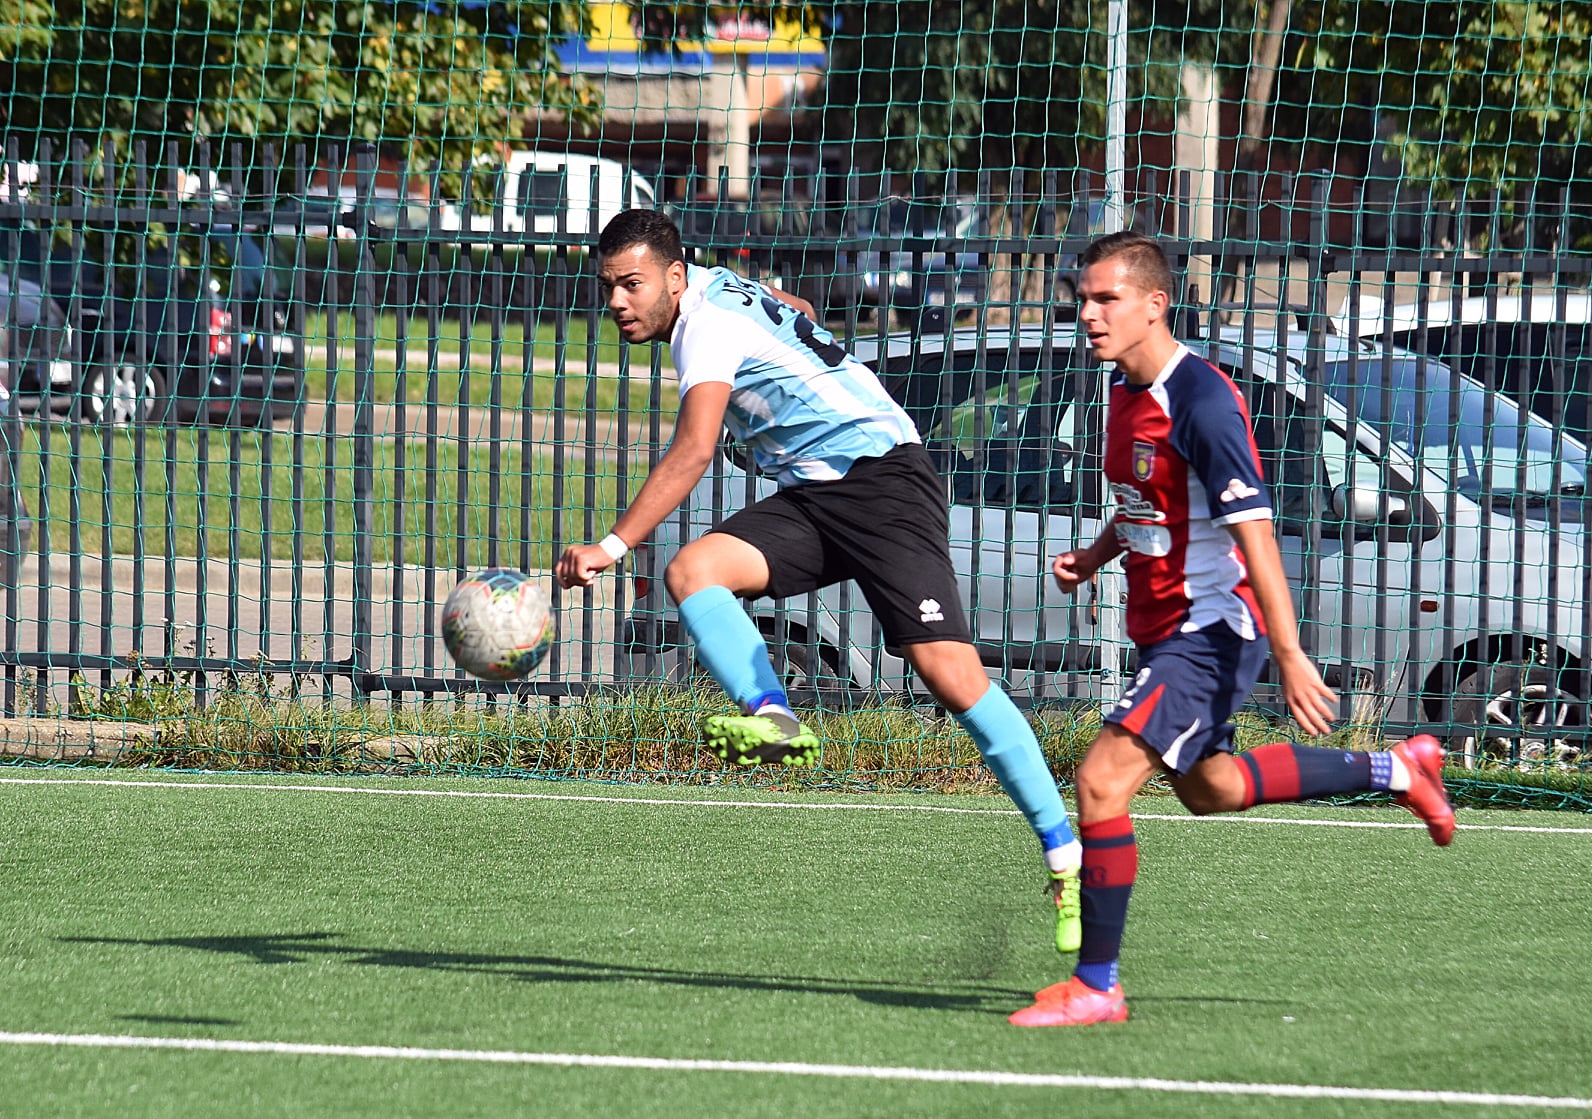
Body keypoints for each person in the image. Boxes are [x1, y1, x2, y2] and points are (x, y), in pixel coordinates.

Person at [554, 210, 1084, 952]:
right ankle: (772, 712)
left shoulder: (705, 327)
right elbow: (794, 310)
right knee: (693, 569)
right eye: (608, 287)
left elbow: (696, 446)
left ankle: (1067, 857)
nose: (617, 302)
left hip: (884, 483)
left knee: (952, 677)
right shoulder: (716, 288)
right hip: (815, 493)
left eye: (631, 285)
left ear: (674, 277)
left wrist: (611, 545)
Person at [1008, 230, 1456, 1028]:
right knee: (1212, 788)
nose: (1088, 313)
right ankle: (1399, 769)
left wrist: (1289, 654)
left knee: (1102, 780)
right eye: (1082, 298)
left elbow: (1256, 536)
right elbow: (1151, 502)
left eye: (1106, 298)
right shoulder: (1119, 390)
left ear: (1155, 304)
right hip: (1166, 628)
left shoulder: (1205, 402)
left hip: (1212, 630)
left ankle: (1098, 985)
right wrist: (1096, 553)